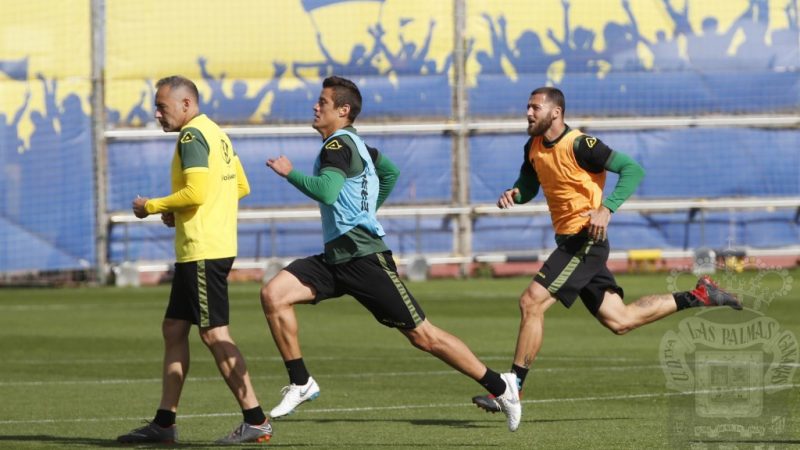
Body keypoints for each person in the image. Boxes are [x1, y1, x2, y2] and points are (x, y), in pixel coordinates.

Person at [261, 75, 521, 431]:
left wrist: (290, 173)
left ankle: (500, 385)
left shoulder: (337, 146)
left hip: (365, 260)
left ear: (343, 110)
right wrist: (367, 210)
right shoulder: (356, 144)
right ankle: (302, 381)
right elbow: (390, 172)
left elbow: (327, 192)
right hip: (337, 258)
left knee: (424, 337)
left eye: (322, 102)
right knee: (274, 294)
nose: (315, 107)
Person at [470, 87, 742, 420]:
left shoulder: (582, 145)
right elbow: (530, 185)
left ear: (555, 112)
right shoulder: (533, 147)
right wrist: (515, 193)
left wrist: (607, 208)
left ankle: (513, 386)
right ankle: (700, 295)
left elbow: (633, 170)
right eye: (527, 107)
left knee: (531, 302)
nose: (528, 113)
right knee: (621, 320)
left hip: (585, 240)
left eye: (535, 107)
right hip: (569, 243)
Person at [117, 76, 272, 445]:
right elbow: (240, 187)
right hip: (207, 246)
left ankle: (256, 419)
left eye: (162, 107)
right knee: (174, 328)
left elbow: (197, 190)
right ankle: (164, 423)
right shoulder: (217, 133)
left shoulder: (191, 137)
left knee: (213, 333)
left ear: (186, 104)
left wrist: (152, 207)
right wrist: (184, 210)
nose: (157, 114)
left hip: (203, 248)